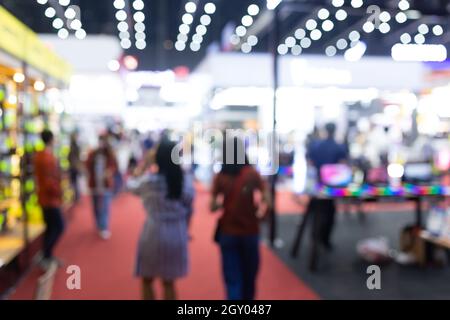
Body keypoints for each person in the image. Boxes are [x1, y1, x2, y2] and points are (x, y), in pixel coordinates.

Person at [128, 141, 194, 300]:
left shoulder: (149, 182)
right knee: (169, 282)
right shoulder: (185, 182)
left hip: (153, 232)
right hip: (177, 233)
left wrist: (145, 165)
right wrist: (186, 230)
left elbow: (130, 185)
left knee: (147, 279)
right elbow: (190, 210)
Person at [210, 137, 271, 301]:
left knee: (232, 280)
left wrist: (223, 203)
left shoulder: (221, 176)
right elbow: (267, 198)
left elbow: (212, 206)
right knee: (249, 278)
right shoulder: (252, 174)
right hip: (250, 230)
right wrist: (260, 213)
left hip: (228, 231)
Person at [306, 123, 348, 250]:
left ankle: (315, 237)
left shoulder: (315, 145)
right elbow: (342, 165)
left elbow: (310, 162)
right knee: (329, 212)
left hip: (317, 183)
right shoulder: (339, 147)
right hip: (331, 185)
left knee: (314, 211)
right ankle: (324, 239)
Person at [34, 129, 65, 269]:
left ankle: (47, 255)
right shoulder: (47, 158)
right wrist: (59, 193)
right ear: (51, 139)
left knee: (51, 227)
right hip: (50, 199)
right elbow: (50, 181)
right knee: (59, 227)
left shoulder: (40, 156)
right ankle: (46, 255)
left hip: (44, 197)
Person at [86, 134, 118, 240]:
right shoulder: (93, 153)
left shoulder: (110, 154)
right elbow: (87, 165)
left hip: (106, 184)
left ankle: (103, 227)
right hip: (94, 184)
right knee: (95, 206)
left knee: (104, 206)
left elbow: (115, 166)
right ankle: (98, 224)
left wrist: (109, 172)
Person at [68, 131, 82, 203]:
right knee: (74, 182)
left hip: (74, 167)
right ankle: (76, 196)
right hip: (74, 166)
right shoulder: (73, 146)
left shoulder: (74, 146)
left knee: (75, 182)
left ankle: (76, 197)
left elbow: (74, 157)